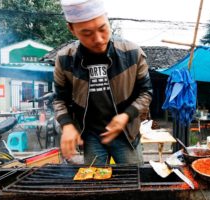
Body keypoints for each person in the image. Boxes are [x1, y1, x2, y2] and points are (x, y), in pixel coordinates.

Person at [54, 0, 153, 165]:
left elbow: (146, 92)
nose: (99, 39)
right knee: (96, 183)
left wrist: (126, 115)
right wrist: (67, 125)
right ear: (71, 29)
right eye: (87, 33)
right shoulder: (65, 59)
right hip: (91, 135)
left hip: (126, 133)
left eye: (103, 28)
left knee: (131, 181)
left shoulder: (132, 54)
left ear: (107, 19)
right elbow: (59, 99)